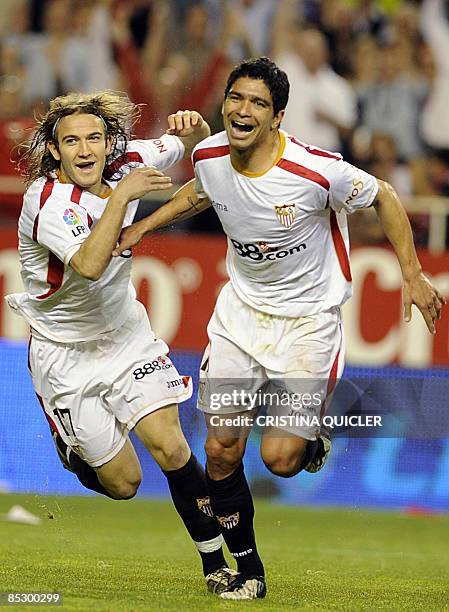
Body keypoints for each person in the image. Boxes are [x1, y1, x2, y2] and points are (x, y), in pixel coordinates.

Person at [113, 58, 445, 600]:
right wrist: (144, 226)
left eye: (258, 104)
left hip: (307, 327)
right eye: (236, 99)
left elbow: (384, 195)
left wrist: (412, 274)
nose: (243, 111)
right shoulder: (212, 154)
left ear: (278, 117)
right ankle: (249, 573)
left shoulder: (317, 170)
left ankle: (310, 442)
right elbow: (202, 191)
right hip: (240, 321)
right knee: (221, 449)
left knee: (280, 459)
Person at [5, 91, 238, 595]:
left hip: (127, 338)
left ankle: (215, 566)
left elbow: (202, 155)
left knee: (172, 447)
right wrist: (125, 195)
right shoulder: (45, 203)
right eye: (71, 141)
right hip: (64, 355)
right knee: (124, 485)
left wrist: (196, 130)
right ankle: (76, 451)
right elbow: (88, 266)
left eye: (94, 138)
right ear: (53, 150)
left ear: (110, 141)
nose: (85, 149)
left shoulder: (129, 160)